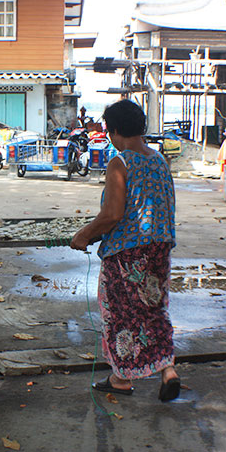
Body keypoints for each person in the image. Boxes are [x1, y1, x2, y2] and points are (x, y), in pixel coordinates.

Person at [70, 100, 180, 402]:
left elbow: (113, 214)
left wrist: (84, 234)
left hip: (128, 253)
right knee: (153, 308)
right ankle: (166, 369)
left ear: (114, 130)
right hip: (159, 248)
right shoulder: (158, 160)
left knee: (121, 314)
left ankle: (121, 378)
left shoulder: (121, 162)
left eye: (108, 130)